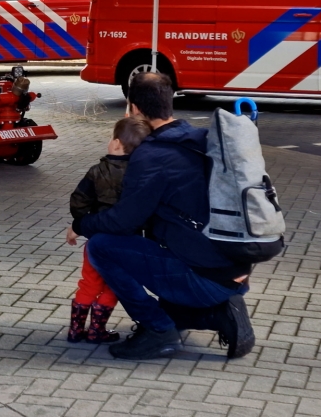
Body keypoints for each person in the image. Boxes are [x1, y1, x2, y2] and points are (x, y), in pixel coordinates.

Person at [73, 72, 260, 361]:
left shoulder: (151, 156)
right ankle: (219, 312)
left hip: (204, 277)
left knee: (101, 247)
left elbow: (123, 222)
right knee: (163, 256)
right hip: (235, 268)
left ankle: (159, 331)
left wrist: (81, 224)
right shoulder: (202, 138)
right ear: (169, 102)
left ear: (133, 108)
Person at [65, 116, 151, 344]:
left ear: (115, 144)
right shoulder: (141, 174)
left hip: (96, 241)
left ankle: (75, 330)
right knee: (114, 286)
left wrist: (85, 222)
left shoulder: (96, 170)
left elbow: (78, 200)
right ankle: (96, 330)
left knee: (89, 282)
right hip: (126, 244)